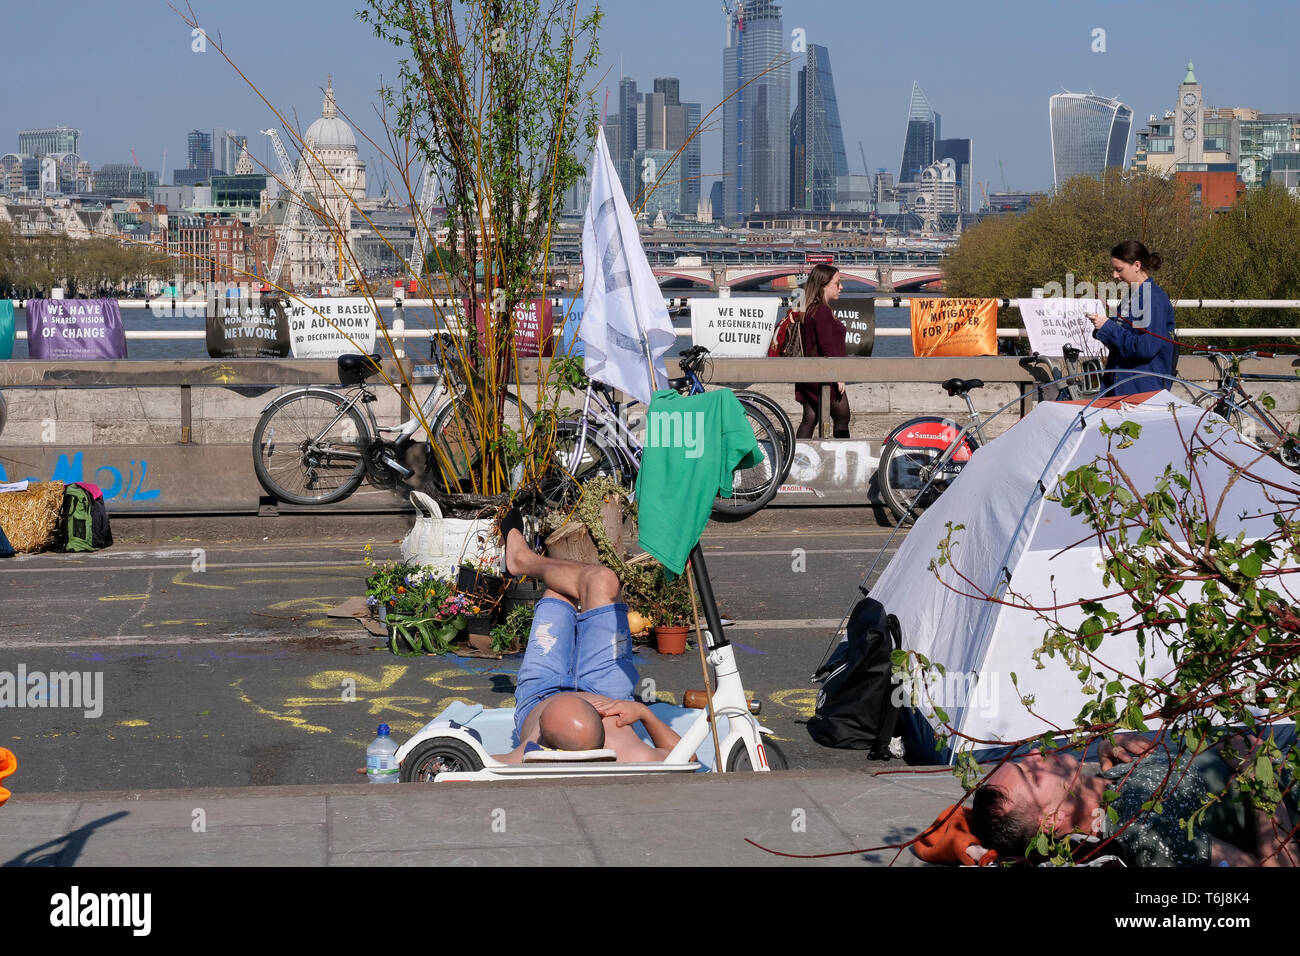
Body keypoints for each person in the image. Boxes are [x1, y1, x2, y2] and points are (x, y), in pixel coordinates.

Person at [491, 508, 683, 764]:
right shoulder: (630, 752)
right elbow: (685, 756)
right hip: (608, 691)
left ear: (544, 742)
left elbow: (464, 764)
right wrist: (643, 713)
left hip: (541, 690)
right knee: (602, 580)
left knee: (560, 593)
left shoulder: (529, 752)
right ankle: (523, 560)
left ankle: (522, 560)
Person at [969, 735, 1299, 866]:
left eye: (1024, 759)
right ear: (1051, 820)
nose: (1038, 753)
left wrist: (1115, 756)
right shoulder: (1143, 832)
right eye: (1032, 773)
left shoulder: (1108, 783)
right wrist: (1263, 783)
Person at [1087, 240, 1178, 397]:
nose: (1115, 275)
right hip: (1123, 384)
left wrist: (1108, 327)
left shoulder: (1152, 299)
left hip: (1141, 388)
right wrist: (1102, 327)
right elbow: (1122, 343)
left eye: (1119, 269)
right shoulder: (1133, 295)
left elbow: (1146, 347)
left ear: (1137, 265)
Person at [794, 263, 850, 439]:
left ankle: (798, 458)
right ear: (823, 285)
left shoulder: (808, 308)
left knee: (810, 418)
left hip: (808, 375)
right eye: (837, 283)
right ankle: (844, 461)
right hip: (824, 376)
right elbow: (827, 346)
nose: (841, 287)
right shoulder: (822, 311)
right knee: (842, 417)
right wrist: (838, 376)